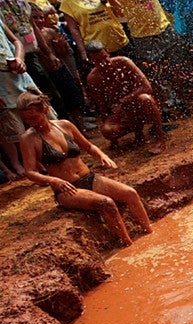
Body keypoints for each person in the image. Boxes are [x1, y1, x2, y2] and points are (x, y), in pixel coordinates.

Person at [17, 90, 152, 246]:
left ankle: (150, 233)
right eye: (27, 119)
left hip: (89, 177)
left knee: (131, 193)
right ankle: (129, 245)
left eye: (34, 117)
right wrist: (53, 180)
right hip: (67, 190)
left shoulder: (64, 125)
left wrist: (102, 155)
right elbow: (30, 172)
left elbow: (88, 146)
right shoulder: (28, 139)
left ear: (45, 111)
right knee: (106, 203)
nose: (32, 122)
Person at [84, 40, 167, 154]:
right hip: (121, 112)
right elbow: (102, 106)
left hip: (138, 104)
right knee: (108, 130)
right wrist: (113, 141)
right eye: (97, 61)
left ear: (108, 52)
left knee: (146, 99)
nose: (103, 63)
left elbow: (147, 87)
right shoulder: (93, 78)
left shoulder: (124, 62)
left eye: (104, 58)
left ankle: (160, 139)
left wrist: (123, 101)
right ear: (91, 61)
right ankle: (139, 134)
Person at [0, 18, 35, 179]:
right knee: (12, 128)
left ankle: (43, 156)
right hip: (1, 85)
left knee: (36, 113)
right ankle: (19, 163)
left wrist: (19, 58)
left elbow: (16, 41)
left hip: (18, 75)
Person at [59, 0, 131, 63]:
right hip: (98, 50)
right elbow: (74, 29)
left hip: (119, 40)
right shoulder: (66, 2)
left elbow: (121, 13)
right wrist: (83, 51)